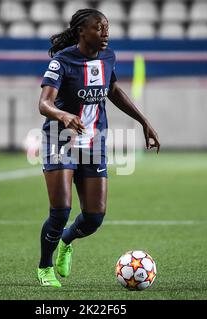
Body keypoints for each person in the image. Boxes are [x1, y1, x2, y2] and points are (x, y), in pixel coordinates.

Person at [37, 9, 161, 287]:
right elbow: (43, 103)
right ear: (82, 31)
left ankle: (67, 241)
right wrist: (63, 115)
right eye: (99, 28)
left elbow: (114, 91)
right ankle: (45, 267)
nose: (105, 33)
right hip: (61, 140)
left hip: (94, 143)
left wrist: (144, 121)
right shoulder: (62, 61)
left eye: (107, 27)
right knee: (60, 211)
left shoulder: (108, 57)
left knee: (94, 217)